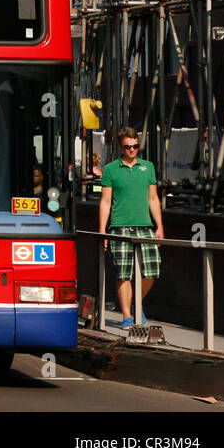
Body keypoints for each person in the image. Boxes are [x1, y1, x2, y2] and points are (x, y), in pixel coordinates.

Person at [98, 127, 164, 328]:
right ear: (121, 147)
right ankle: (127, 316)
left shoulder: (148, 167)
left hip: (145, 226)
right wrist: (103, 230)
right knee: (123, 273)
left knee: (152, 270)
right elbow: (105, 202)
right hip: (120, 227)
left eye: (135, 146)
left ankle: (136, 303)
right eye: (128, 146)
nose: (132, 150)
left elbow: (153, 198)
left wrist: (159, 226)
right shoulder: (110, 169)